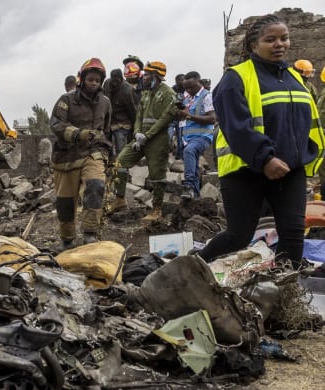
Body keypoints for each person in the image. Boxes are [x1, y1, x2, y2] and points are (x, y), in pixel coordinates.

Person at [197, 14, 324, 268]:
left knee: (293, 236)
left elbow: (307, 121)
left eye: (284, 39)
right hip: (247, 171)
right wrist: (265, 158)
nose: (280, 44)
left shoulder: (295, 79)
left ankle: (285, 295)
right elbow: (236, 127)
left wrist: (305, 156)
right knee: (239, 236)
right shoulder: (236, 78)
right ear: (254, 45)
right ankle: (193, 267)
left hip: (290, 171)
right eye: (271, 40)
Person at [49, 58, 112, 251]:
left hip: (94, 152)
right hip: (67, 156)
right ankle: (67, 240)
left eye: (97, 80)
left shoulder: (105, 102)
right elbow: (56, 124)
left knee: (95, 186)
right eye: (90, 79)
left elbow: (107, 129)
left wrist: (111, 155)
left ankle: (90, 234)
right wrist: (77, 134)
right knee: (65, 201)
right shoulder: (66, 100)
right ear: (82, 79)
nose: (94, 83)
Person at [111, 60, 178, 222]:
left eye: (148, 74)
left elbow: (164, 119)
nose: (144, 76)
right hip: (140, 139)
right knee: (120, 162)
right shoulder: (146, 93)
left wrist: (146, 136)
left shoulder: (168, 94)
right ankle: (120, 199)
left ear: (156, 76)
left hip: (157, 140)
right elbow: (139, 115)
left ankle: (157, 209)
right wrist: (137, 133)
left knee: (157, 175)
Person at [178, 71, 216, 199]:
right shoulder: (187, 98)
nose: (189, 90)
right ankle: (195, 199)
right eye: (186, 88)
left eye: (192, 87)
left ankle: (188, 186)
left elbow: (212, 119)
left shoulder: (207, 96)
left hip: (203, 136)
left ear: (199, 82)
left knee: (190, 151)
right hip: (187, 138)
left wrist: (189, 116)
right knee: (193, 168)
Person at [104, 68, 137, 159]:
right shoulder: (107, 84)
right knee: (106, 147)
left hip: (122, 122)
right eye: (112, 79)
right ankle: (110, 168)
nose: (114, 82)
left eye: (117, 80)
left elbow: (133, 111)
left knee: (121, 149)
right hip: (108, 122)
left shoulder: (128, 90)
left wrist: (135, 128)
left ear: (121, 78)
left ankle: (122, 171)